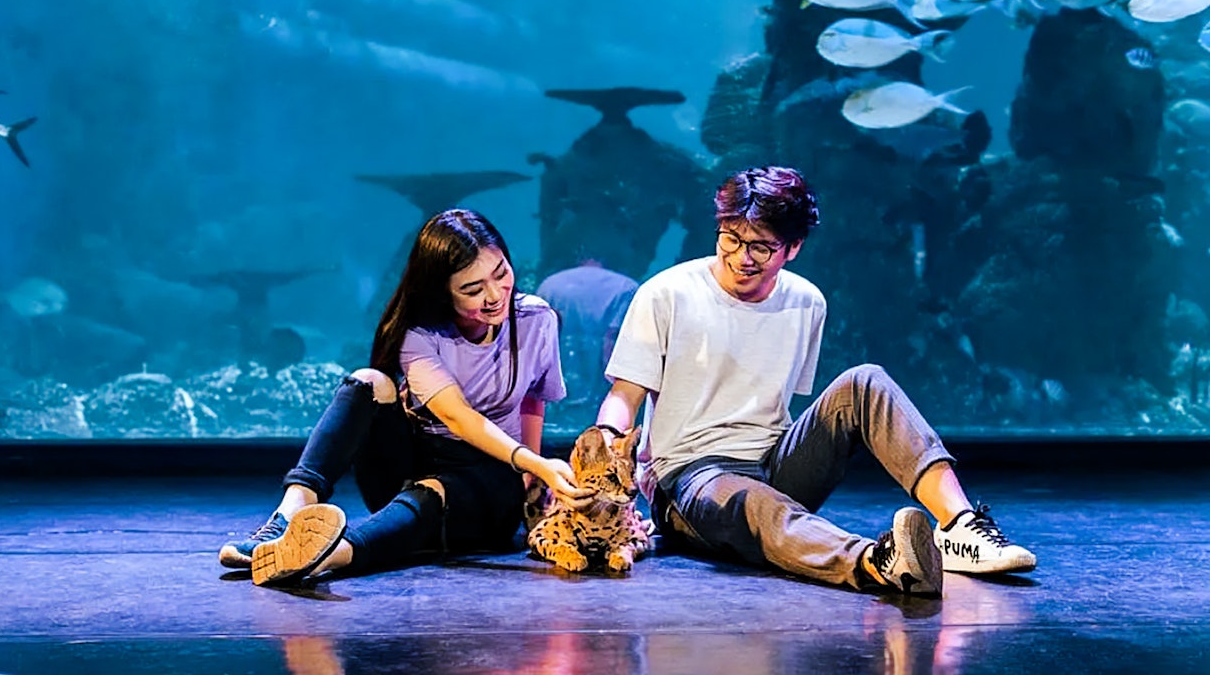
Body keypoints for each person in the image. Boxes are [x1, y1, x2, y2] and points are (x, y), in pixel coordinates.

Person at [593, 166, 1036, 596]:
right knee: (753, 504)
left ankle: (960, 528)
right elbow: (624, 396)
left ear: (794, 247)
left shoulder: (807, 302)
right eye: (731, 239)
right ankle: (877, 563)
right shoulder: (666, 293)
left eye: (762, 247)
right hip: (692, 479)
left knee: (866, 382)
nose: (742, 257)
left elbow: (775, 405)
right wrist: (601, 455)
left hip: (774, 464)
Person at [219, 208, 592, 586]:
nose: (495, 295)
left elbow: (533, 397)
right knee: (368, 381)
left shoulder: (535, 319)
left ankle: (322, 555)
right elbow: (457, 418)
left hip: (489, 476)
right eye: (473, 289)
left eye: (501, 274)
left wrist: (530, 471)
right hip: (415, 464)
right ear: (442, 292)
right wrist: (539, 463)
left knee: (435, 492)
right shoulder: (420, 335)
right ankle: (288, 517)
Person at [535, 260, 638, 428]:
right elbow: (611, 346)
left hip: (555, 400)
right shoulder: (627, 287)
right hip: (599, 399)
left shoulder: (549, 285)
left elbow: (538, 345)